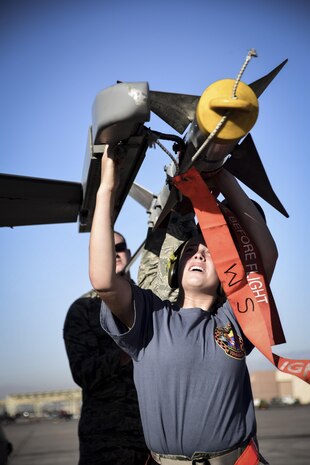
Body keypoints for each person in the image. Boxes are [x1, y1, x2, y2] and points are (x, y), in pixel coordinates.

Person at [89, 146, 277, 464]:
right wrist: (107, 186)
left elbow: (265, 255)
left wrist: (221, 173)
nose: (200, 253)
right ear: (176, 268)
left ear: (227, 273)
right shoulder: (150, 317)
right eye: (191, 250)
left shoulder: (236, 318)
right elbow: (104, 280)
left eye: (211, 251)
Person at [63, 231, 149, 465]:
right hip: (107, 443)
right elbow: (83, 373)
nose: (114, 253)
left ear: (129, 253)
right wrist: (127, 350)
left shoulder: (152, 303)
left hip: (157, 441)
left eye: (119, 247)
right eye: (106, 249)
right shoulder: (83, 309)